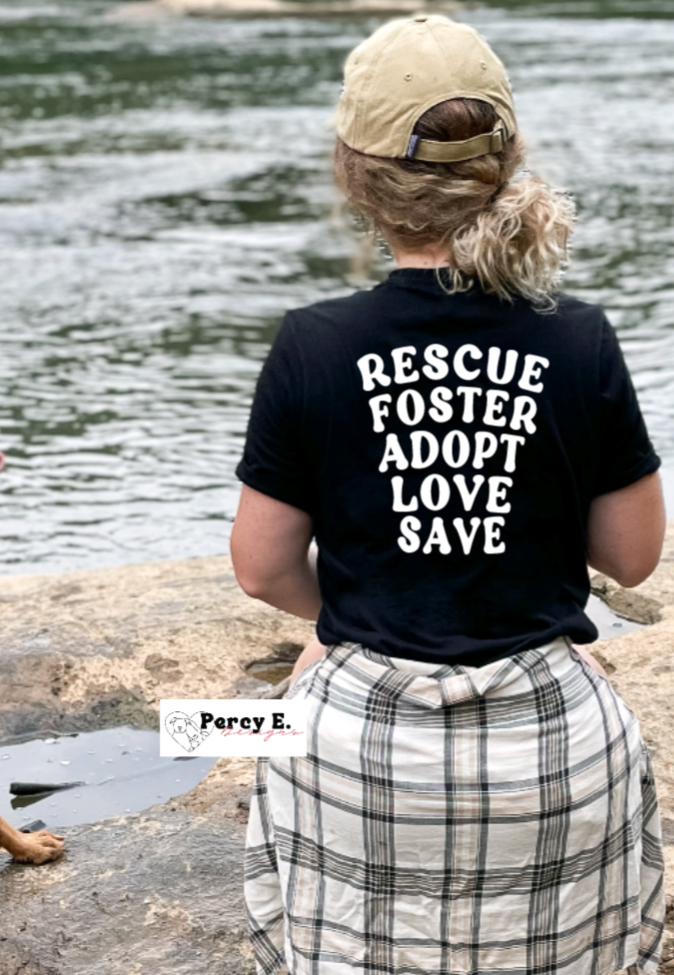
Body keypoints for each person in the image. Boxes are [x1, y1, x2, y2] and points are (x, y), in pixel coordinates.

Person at [230, 14, 666, 975]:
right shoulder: (580, 335)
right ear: (506, 164)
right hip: (554, 752)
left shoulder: (313, 341)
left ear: (357, 177)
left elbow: (261, 570)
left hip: (358, 753)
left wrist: (334, 617)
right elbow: (632, 558)